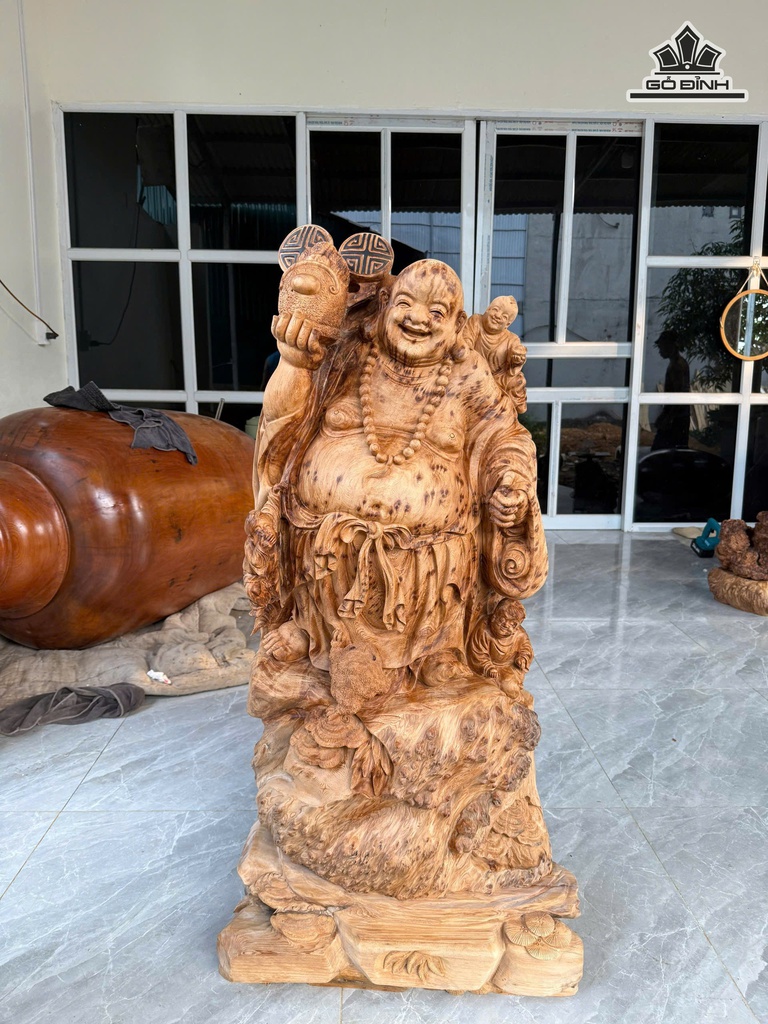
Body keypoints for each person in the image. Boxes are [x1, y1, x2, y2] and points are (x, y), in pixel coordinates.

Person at [463, 295, 528, 413]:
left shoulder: (512, 339)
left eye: (504, 316)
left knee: (518, 380)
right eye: (495, 309)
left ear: (507, 324)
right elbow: (466, 342)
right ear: (487, 310)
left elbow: (514, 360)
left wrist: (517, 359)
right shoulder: (476, 321)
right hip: (474, 370)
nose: (498, 316)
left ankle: (516, 406)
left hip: (498, 378)